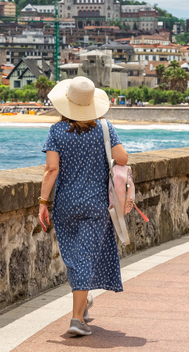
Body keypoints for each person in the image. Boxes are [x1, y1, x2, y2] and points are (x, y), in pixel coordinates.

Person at [38, 76, 128, 337]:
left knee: (75, 258)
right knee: (84, 257)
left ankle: (82, 304)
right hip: (96, 205)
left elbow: (51, 169)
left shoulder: (56, 132)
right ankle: (77, 318)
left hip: (65, 205)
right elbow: (122, 158)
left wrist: (43, 203)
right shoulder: (105, 128)